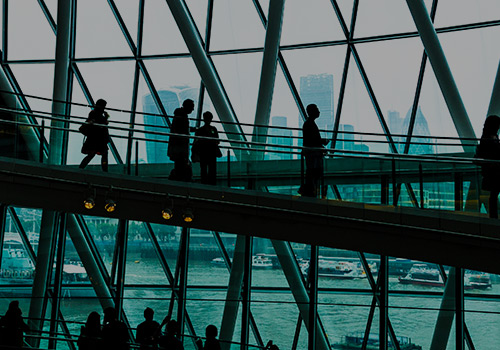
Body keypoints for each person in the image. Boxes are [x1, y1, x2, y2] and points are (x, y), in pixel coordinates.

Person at [299, 104, 329, 197]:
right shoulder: (309, 124)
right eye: (317, 109)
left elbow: (310, 140)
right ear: (311, 112)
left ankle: (310, 192)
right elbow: (312, 140)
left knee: (312, 174)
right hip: (313, 154)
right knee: (313, 174)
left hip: (312, 153)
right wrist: (321, 143)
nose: (319, 111)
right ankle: (310, 192)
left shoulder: (309, 123)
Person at [475, 115, 500, 218]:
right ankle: (493, 216)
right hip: (494, 171)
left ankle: (493, 217)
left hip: (492, 171)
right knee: (494, 194)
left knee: (493, 194)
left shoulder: (486, 137)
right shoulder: (491, 138)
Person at [79, 99, 110, 172]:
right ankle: (105, 170)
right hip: (98, 139)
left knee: (91, 155)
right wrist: (105, 119)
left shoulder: (94, 113)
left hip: (94, 138)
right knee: (102, 154)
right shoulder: (97, 114)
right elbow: (101, 124)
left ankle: (81, 168)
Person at [168, 99, 195, 182]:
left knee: (179, 165)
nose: (193, 109)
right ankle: (181, 180)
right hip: (180, 148)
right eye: (192, 107)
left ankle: (179, 179)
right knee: (181, 165)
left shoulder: (179, 115)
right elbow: (181, 131)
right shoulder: (182, 117)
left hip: (177, 147)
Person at [192, 112, 222, 185]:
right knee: (212, 169)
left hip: (204, 152)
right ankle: (212, 183)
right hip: (211, 152)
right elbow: (217, 141)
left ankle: (204, 183)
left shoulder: (200, 130)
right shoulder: (213, 129)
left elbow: (197, 141)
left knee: (204, 169)